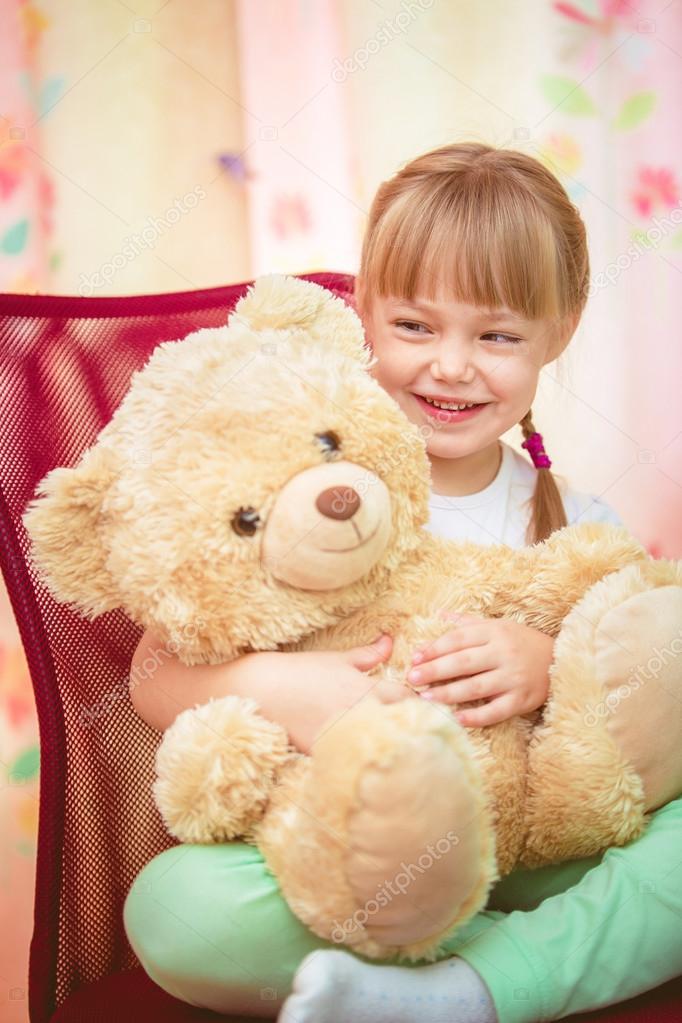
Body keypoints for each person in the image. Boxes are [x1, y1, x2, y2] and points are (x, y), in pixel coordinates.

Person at [123, 142, 682, 1023]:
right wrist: (283, 686)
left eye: (497, 336)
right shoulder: (302, 491)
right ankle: (508, 959)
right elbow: (152, 673)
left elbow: (639, 692)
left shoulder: (578, 519)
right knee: (178, 906)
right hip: (356, 860)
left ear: (560, 331)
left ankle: (467, 990)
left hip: (530, 852)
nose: (451, 366)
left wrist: (552, 663)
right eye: (416, 326)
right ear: (365, 314)